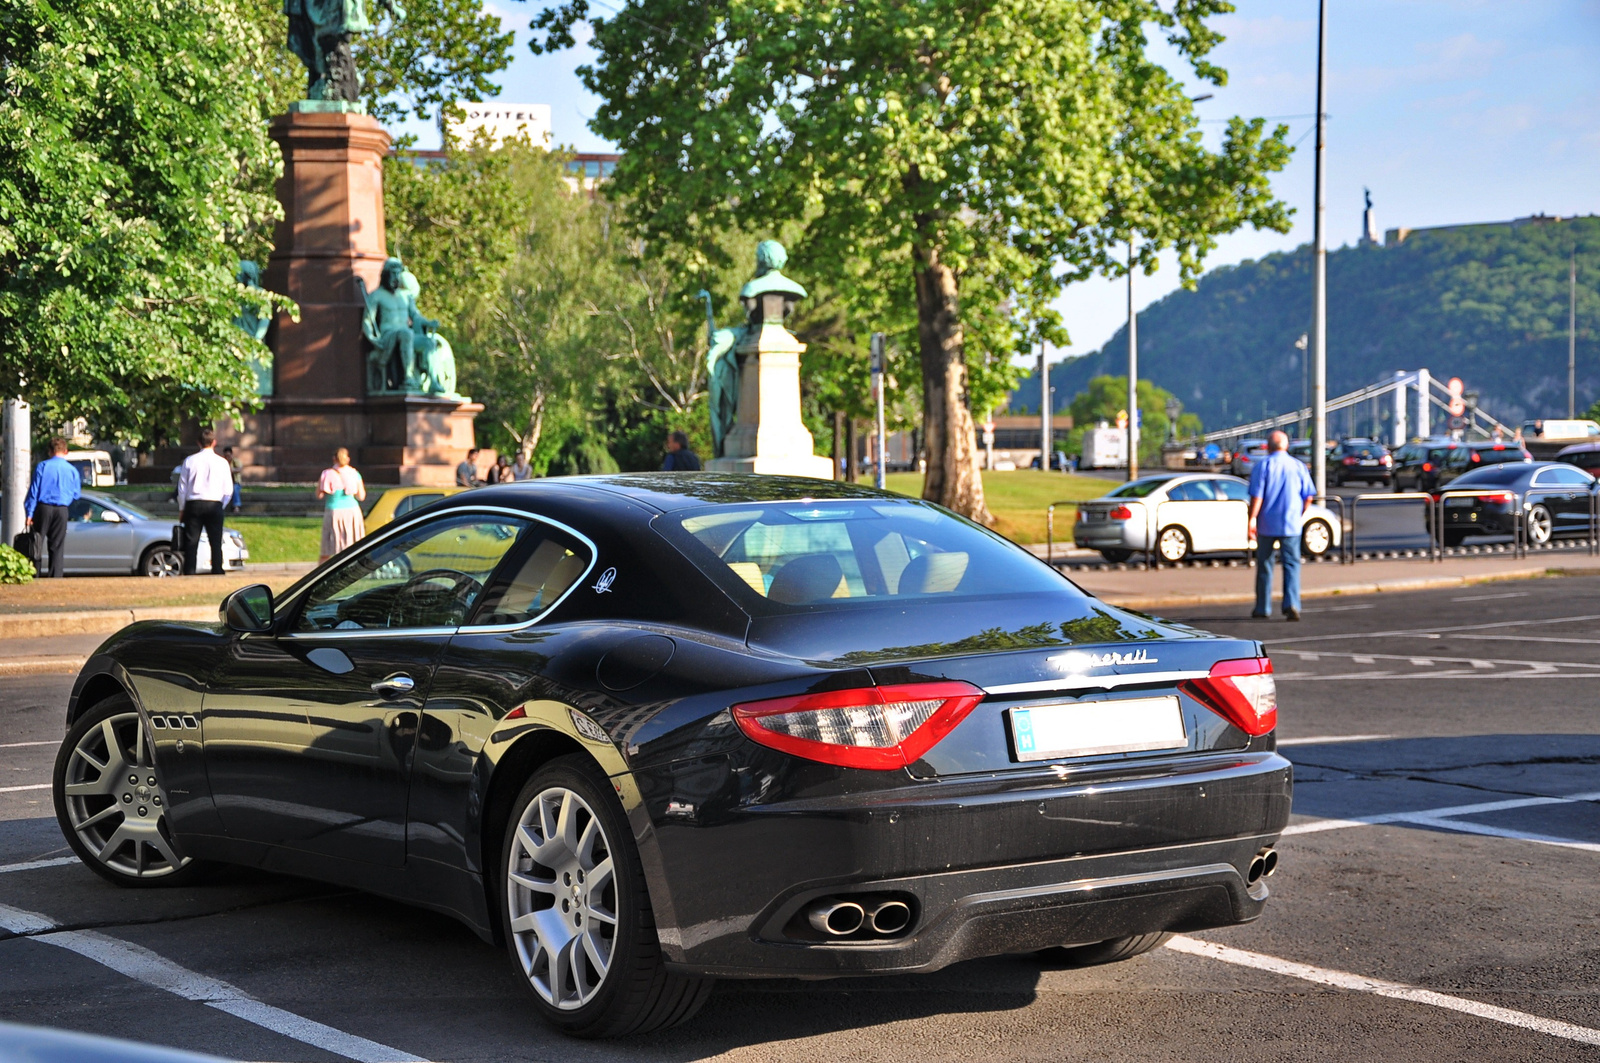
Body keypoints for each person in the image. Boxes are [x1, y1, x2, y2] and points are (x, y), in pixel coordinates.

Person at [1248, 430, 1316, 621]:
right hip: (1291, 524)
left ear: (1268, 446)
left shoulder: (1263, 466)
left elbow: (1257, 496)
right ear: (1286, 446)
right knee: (1292, 565)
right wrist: (1300, 513)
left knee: (1264, 565)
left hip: (1266, 523)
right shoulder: (1298, 466)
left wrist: (1252, 519)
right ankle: (1292, 604)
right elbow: (1309, 496)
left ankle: (1262, 607)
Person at [176, 427, 233, 576]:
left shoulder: (190, 461)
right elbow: (228, 490)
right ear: (214, 442)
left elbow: (182, 488)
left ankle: (189, 571)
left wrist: (182, 508)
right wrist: (221, 504)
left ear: (198, 443)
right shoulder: (222, 463)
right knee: (215, 541)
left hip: (194, 503)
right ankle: (217, 570)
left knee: (191, 541)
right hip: (215, 503)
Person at [23, 437, 80, 578]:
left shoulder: (42, 466)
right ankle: (55, 577)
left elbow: (34, 491)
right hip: (62, 509)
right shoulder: (72, 470)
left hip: (43, 508)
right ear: (65, 451)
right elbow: (76, 494)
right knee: (57, 547)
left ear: (49, 451)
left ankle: (34, 574)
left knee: (36, 542)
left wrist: (29, 513)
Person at [316, 448, 366, 562]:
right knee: (354, 548)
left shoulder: (327, 474)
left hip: (334, 512)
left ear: (334, 459)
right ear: (348, 459)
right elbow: (361, 496)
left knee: (327, 549)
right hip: (352, 512)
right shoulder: (354, 473)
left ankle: (321, 577)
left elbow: (319, 495)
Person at [222, 446, 244, 512]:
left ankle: (236, 506)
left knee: (235, 489)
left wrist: (231, 470)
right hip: (225, 483)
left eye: (228, 455)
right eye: (226, 456)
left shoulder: (235, 461)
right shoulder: (222, 462)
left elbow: (239, 469)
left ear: (231, 454)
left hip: (236, 482)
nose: (227, 458)